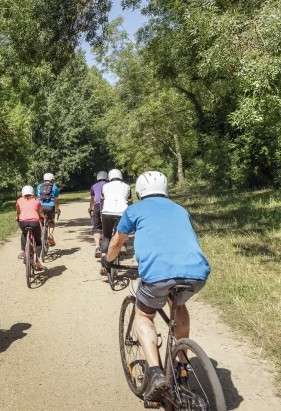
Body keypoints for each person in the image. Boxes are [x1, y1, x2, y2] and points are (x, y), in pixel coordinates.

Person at [102, 171, 210, 404]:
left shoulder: (134, 211)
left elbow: (116, 242)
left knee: (143, 316)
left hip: (158, 275)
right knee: (177, 303)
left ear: (139, 192)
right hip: (197, 273)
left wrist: (108, 261)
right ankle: (182, 362)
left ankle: (156, 373)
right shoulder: (180, 209)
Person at [99, 169, 132, 264]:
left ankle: (104, 263)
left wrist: (101, 212)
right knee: (122, 234)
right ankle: (123, 245)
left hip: (107, 213)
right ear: (120, 176)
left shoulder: (105, 186)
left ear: (109, 177)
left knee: (106, 237)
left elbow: (102, 201)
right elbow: (130, 202)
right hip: (122, 212)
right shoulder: (127, 186)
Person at [16, 185, 43, 271]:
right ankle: (36, 260)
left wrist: (18, 218)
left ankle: (23, 252)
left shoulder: (19, 201)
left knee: (24, 234)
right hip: (34, 223)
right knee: (38, 241)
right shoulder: (36, 201)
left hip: (23, 222)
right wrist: (43, 217)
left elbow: (18, 212)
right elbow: (40, 213)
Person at [88, 171, 108, 258]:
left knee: (97, 227)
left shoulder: (93, 186)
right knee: (110, 225)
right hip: (107, 205)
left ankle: (97, 247)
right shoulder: (109, 184)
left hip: (97, 206)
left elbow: (92, 200)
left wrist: (90, 208)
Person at [37, 173, 60, 246]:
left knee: (41, 219)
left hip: (41, 206)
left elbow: (38, 198)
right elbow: (56, 201)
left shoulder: (39, 186)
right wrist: (57, 210)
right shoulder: (55, 187)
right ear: (52, 180)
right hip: (50, 207)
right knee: (51, 221)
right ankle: (50, 234)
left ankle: (41, 232)